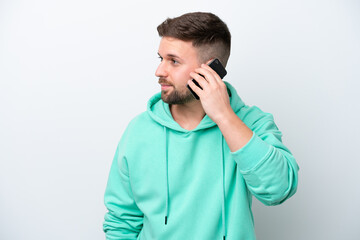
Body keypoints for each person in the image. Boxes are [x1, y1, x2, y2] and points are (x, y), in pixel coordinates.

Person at [103, 12, 299, 240]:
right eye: (161, 59)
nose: (159, 72)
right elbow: (121, 222)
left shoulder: (251, 123)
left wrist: (224, 116)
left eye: (173, 61)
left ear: (210, 71)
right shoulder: (139, 130)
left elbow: (278, 190)